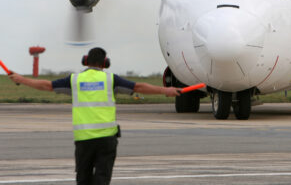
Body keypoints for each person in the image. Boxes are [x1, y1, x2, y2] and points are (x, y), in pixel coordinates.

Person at [8, 47, 181, 185]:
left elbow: (46, 85)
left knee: (83, 180)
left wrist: (21, 79)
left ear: (86, 61)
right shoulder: (111, 79)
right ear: (105, 63)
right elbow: (139, 87)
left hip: (84, 141)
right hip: (106, 140)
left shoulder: (75, 80)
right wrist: (166, 90)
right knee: (102, 179)